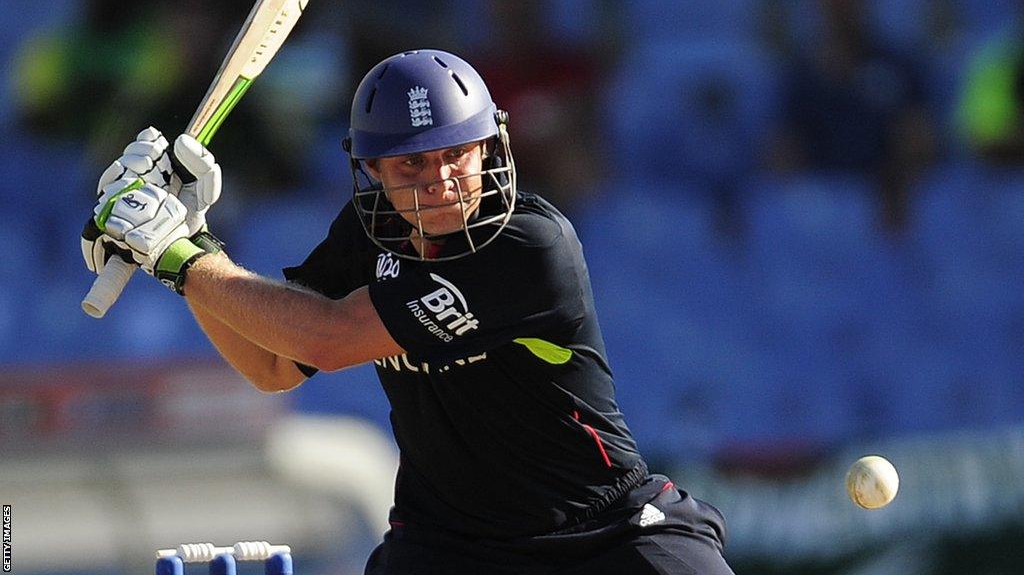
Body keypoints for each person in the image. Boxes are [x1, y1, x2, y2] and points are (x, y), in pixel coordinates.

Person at [81, 49, 734, 574]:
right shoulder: (366, 237)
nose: (440, 179)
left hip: (604, 532)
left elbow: (333, 339)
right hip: (448, 546)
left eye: (457, 152)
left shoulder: (531, 245)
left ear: (490, 147)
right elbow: (274, 364)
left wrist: (178, 253)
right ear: (373, 170)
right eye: (412, 164)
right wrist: (192, 245)